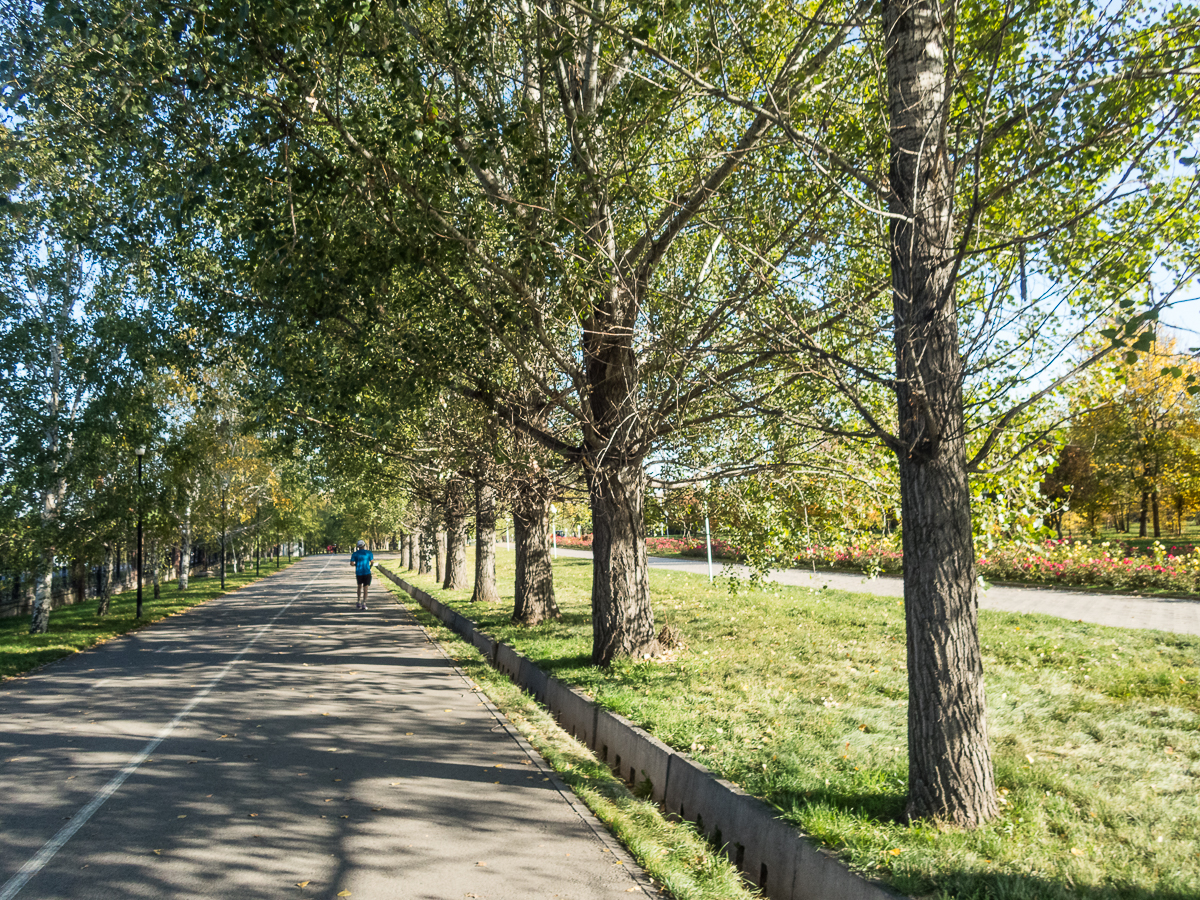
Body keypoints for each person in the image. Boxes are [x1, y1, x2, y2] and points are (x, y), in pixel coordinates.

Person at [350, 540, 374, 610]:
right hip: (367, 572)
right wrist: (370, 567)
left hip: (359, 572)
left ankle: (358, 601)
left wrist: (356, 564)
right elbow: (372, 562)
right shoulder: (369, 553)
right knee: (365, 588)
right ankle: (364, 603)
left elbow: (351, 563)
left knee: (359, 586)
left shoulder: (355, 554)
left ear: (358, 546)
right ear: (364, 545)